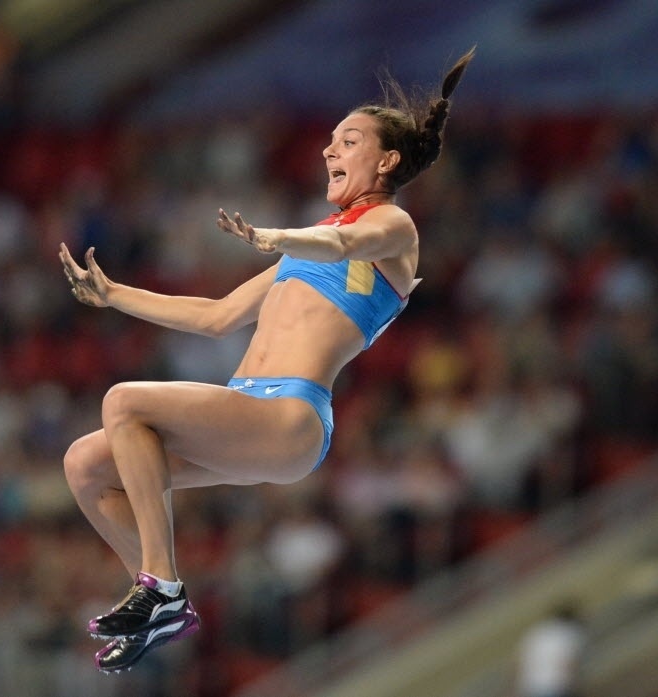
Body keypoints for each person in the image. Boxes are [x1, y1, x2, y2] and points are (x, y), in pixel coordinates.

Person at [59, 48, 475, 673]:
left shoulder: (394, 228)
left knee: (124, 400)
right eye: (330, 140)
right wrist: (114, 294)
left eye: (349, 140)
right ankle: (157, 597)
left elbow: (343, 240)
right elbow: (216, 315)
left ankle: (164, 587)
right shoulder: (301, 248)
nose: (330, 150)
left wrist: (279, 236)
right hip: (246, 409)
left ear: (387, 160)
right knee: (86, 465)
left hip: (290, 415)